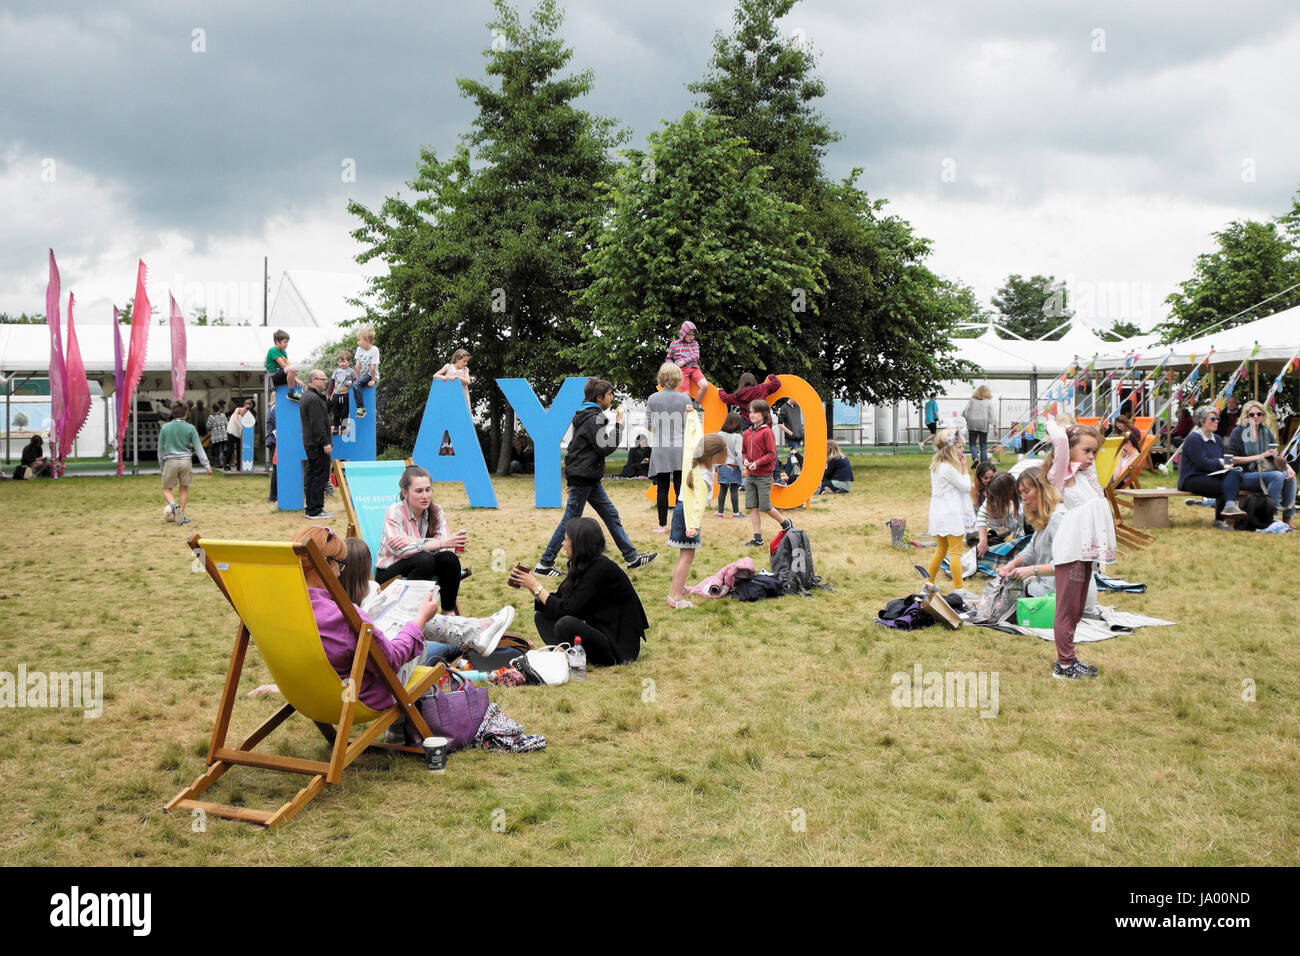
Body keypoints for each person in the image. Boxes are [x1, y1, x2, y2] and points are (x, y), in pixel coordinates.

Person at [293, 525, 433, 713]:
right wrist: (419, 621)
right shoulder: (342, 615)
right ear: (325, 563)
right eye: (339, 565)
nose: (340, 573)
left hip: (308, 694)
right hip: (356, 697)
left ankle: (476, 635)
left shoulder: (282, 605)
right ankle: (401, 730)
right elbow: (390, 661)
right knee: (418, 643)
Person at [533, 378, 657, 577]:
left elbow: (574, 449)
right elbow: (604, 448)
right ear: (599, 398)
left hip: (587, 477)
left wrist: (570, 480)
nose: (611, 399)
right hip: (584, 477)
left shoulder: (587, 416)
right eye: (609, 395)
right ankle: (545, 563)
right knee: (570, 520)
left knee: (611, 514)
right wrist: (619, 427)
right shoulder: (592, 418)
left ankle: (631, 557)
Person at [341, 537, 511, 663]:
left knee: (417, 622)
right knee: (448, 643)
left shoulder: (331, 601)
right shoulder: (371, 589)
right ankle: (476, 632)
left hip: (375, 660)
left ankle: (476, 631)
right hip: (390, 664)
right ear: (366, 566)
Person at [511, 517, 649, 666]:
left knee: (565, 623)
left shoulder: (601, 569)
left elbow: (568, 610)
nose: (563, 544)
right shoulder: (582, 565)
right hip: (600, 631)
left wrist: (536, 586)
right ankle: (567, 654)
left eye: (566, 540)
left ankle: (576, 655)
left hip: (617, 646)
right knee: (542, 617)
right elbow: (558, 599)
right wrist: (532, 587)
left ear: (578, 543)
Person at [1040, 421, 1116, 680]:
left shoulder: (1087, 475)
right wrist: (1058, 425)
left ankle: (1069, 658)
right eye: (1087, 451)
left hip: (1084, 552)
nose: (1092, 457)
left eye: (1094, 452)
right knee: (1067, 608)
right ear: (1070, 451)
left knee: (1078, 607)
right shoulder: (1062, 473)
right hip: (1072, 550)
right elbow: (1060, 441)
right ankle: (1064, 664)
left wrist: (1087, 440)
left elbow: (1100, 444)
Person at [997, 466, 1099, 614]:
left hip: (1071, 598)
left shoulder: (1059, 518)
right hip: (1056, 589)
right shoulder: (1046, 516)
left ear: (1042, 489)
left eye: (1026, 491)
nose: (1023, 498)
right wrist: (1011, 565)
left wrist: (1031, 571)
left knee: (1013, 593)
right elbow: (1032, 549)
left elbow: (1068, 565)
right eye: (1021, 493)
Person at [375, 466, 466, 611]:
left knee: (449, 558)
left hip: (424, 565)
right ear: (405, 492)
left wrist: (412, 541)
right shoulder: (395, 512)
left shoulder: (436, 510)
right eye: (419, 491)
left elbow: (444, 548)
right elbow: (402, 552)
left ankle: (448, 613)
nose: (425, 496)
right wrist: (436, 543)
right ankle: (412, 614)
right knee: (424, 559)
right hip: (390, 572)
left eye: (428, 490)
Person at [667, 434, 729, 609]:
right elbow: (698, 503)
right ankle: (676, 598)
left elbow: (692, 438)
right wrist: (693, 526)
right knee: (687, 557)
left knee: (684, 557)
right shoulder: (704, 476)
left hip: (683, 512)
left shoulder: (696, 465)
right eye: (723, 451)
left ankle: (673, 595)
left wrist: (692, 414)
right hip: (688, 516)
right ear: (713, 455)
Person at [1227, 400, 1296, 527]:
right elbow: (1232, 459)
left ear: (1263, 416)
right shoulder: (1238, 432)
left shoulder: (1266, 432)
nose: (1256, 417)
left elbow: (1275, 454)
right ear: (1245, 415)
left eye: (1259, 414)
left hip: (1264, 471)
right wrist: (1261, 456)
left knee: (1290, 477)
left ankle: (1287, 517)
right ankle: (1270, 518)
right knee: (1277, 476)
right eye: (1252, 414)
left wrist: (1288, 466)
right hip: (1244, 474)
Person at [1178, 405, 1246, 529]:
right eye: (1212, 419)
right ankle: (1220, 519)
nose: (1216, 422)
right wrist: (1221, 463)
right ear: (1202, 421)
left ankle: (1229, 508)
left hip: (1211, 475)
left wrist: (1227, 466)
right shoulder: (1193, 438)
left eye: (1217, 419)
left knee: (1234, 474)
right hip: (1192, 477)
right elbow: (1201, 463)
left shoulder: (1218, 439)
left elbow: (1219, 462)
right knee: (1225, 486)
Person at [926, 429, 975, 596]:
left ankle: (929, 583)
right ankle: (959, 588)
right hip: (950, 513)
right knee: (955, 551)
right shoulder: (948, 469)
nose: (962, 450)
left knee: (941, 548)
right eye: (960, 447)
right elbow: (966, 487)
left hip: (939, 512)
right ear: (951, 449)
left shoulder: (937, 466)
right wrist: (965, 469)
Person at [741, 398, 793, 548]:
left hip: (763, 475)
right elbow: (744, 452)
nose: (752, 415)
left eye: (755, 412)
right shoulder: (747, 433)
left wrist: (757, 463)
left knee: (765, 506)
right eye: (750, 412)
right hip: (751, 476)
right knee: (752, 506)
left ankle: (786, 523)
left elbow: (771, 454)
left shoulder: (767, 432)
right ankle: (757, 538)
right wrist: (745, 460)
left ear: (764, 414)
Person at [647, 363, 691, 532]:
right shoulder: (685, 399)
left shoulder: (653, 399)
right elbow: (689, 425)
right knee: (681, 488)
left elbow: (649, 426)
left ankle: (662, 525)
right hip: (681, 448)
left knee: (662, 488)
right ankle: (680, 525)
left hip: (661, 447)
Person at [158, 401, 211, 526]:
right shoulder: (190, 428)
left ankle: (172, 506)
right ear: (187, 413)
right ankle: (180, 515)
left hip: (170, 461)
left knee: (166, 489)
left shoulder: (165, 428)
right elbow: (199, 448)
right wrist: (207, 465)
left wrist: (161, 465)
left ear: (172, 412)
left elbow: (160, 449)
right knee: (184, 489)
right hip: (186, 461)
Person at [300, 370, 333, 520]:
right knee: (319, 476)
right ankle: (316, 510)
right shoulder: (313, 398)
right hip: (317, 444)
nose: (325, 382)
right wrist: (325, 442)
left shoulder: (307, 396)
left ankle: (311, 509)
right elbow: (317, 423)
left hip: (311, 443)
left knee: (312, 476)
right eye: (322, 379)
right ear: (313, 379)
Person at [973, 471, 1022, 556]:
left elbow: (1023, 531)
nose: (995, 499)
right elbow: (982, 516)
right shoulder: (993, 495)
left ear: (1010, 490)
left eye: (998, 497)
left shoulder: (1023, 499)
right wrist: (983, 541)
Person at [665, 320, 710, 404]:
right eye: (689, 335)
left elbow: (696, 355)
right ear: (683, 334)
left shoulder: (695, 343)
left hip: (694, 369)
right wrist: (673, 366)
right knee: (685, 396)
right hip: (682, 371)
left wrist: (684, 361)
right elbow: (668, 358)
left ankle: (697, 404)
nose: (692, 337)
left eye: (693, 335)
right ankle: (687, 411)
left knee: (705, 385)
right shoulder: (674, 344)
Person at [715, 412, 746, 514]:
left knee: (722, 489)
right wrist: (743, 468)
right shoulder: (738, 437)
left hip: (722, 466)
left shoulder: (719, 435)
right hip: (734, 467)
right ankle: (736, 513)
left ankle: (720, 513)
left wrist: (715, 465)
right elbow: (739, 454)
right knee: (734, 490)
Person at [773, 396, 804, 484]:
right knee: (794, 454)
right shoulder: (784, 408)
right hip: (791, 437)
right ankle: (786, 476)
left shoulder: (797, 406)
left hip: (799, 436)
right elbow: (780, 424)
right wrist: (790, 432)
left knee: (793, 456)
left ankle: (787, 476)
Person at [351, 328, 380, 419]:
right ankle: (360, 407)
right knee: (355, 384)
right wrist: (358, 378)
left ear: (367, 340)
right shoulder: (359, 349)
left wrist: (373, 380)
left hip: (371, 375)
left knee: (356, 384)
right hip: (362, 375)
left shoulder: (374, 350)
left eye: (359, 340)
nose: (357, 342)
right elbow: (357, 365)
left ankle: (361, 409)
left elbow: (373, 367)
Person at [265, 329, 301, 400]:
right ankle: (291, 393)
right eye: (285, 342)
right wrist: (294, 377)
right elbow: (284, 366)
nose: (286, 344)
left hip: (281, 375)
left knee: (301, 383)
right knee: (292, 369)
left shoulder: (283, 352)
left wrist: (295, 379)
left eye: (287, 342)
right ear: (277, 342)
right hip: (273, 376)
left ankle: (296, 397)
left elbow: (288, 365)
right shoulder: (273, 350)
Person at [963, 385, 995, 463]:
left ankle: (975, 458)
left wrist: (967, 419)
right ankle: (983, 463)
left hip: (972, 424)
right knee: (983, 445)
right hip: (983, 424)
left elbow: (965, 411)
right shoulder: (989, 402)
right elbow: (992, 416)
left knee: (972, 444)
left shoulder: (972, 400)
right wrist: (995, 427)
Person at [328, 350, 356, 435]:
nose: (342, 363)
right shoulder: (336, 371)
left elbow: (356, 379)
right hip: (336, 395)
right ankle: (336, 427)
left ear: (349, 361)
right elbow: (332, 382)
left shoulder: (351, 371)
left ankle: (343, 428)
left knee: (344, 413)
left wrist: (351, 381)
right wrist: (329, 393)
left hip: (346, 395)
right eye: (340, 361)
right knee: (336, 412)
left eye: (344, 361)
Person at [226, 398, 254, 472]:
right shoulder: (238, 409)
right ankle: (226, 464)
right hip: (231, 431)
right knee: (230, 449)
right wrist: (241, 427)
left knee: (239, 450)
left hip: (239, 434)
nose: (247, 406)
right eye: (246, 404)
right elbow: (235, 419)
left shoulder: (249, 415)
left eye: (249, 404)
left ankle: (239, 466)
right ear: (244, 404)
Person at [206, 401, 228, 471]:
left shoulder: (211, 417)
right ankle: (223, 463)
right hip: (223, 435)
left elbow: (208, 426)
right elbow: (226, 424)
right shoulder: (223, 415)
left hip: (215, 437)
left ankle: (218, 463)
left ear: (213, 409)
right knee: (222, 450)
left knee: (216, 451)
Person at [265, 399, 278, 502]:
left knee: (276, 468)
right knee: (276, 468)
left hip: (273, 440)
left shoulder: (272, 409)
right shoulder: (275, 409)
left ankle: (274, 496)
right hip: (275, 440)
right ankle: (273, 496)